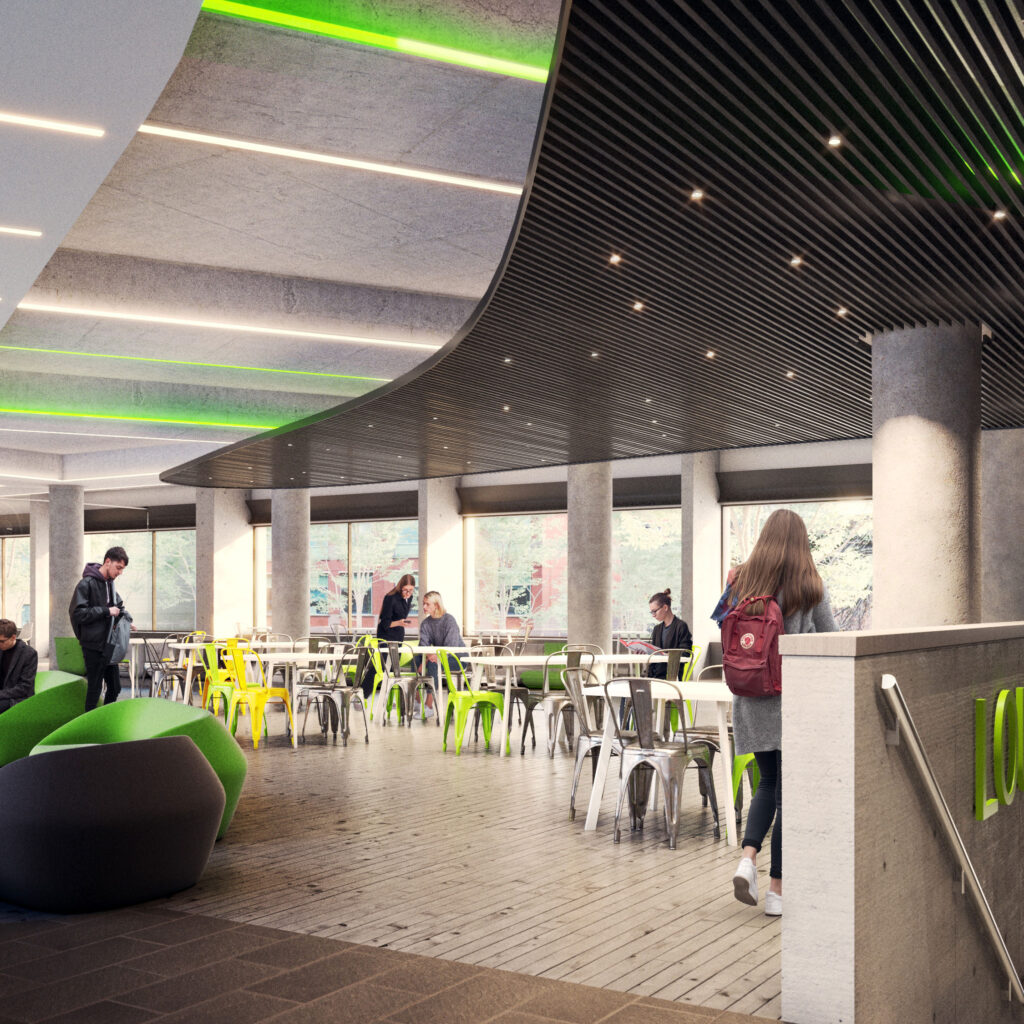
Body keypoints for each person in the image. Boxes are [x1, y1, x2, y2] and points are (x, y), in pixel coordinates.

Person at [724, 509, 835, 919]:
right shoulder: (809, 586)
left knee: (765, 781)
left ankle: (747, 858)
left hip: (749, 696)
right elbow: (833, 642)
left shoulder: (739, 581)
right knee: (788, 796)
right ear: (801, 541)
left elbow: (724, 626)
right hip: (791, 699)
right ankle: (776, 891)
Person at [69, 546, 133, 712]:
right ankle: (88, 725)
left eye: (122, 569)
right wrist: (106, 611)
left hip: (108, 644)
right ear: (107, 562)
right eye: (118, 568)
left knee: (115, 687)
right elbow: (78, 613)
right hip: (92, 645)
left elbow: (118, 606)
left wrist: (125, 619)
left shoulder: (110, 584)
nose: (120, 572)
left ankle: (103, 719)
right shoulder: (86, 583)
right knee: (95, 688)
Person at [361, 574, 415, 697]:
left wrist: (401, 623)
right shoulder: (391, 598)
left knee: (393, 668)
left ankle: (388, 698)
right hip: (386, 634)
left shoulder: (409, 598)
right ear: (400, 587)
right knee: (380, 666)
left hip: (398, 635)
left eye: (411, 590)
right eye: (405, 590)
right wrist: (399, 623)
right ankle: (362, 695)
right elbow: (385, 623)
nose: (408, 593)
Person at [417, 590, 465, 715]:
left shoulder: (449, 620)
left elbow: (452, 646)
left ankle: (429, 706)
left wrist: (430, 659)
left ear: (436, 605)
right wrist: (427, 658)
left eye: (427, 604)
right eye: (423, 603)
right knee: (416, 660)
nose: (424, 607)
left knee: (434, 664)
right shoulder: (426, 623)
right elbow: (423, 644)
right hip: (440, 655)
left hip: (457, 657)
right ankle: (417, 701)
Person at [647, 588, 692, 679]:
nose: (653, 615)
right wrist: (645, 652)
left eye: (654, 611)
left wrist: (667, 655)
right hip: (655, 676)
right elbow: (654, 652)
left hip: (672, 675)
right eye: (651, 612)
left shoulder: (681, 626)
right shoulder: (657, 629)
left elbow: (686, 654)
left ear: (665, 607)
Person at [0, 620, 37, 713]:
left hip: (17, 698)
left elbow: (24, 688)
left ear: (13, 637)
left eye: (1, 641)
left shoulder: (29, 654)